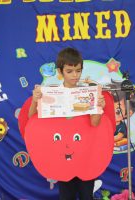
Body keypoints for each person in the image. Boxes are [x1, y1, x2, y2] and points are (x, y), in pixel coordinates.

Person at [28, 47, 106, 200]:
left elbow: (94, 123)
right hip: (62, 155)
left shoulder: (87, 93)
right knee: (66, 196)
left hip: (85, 155)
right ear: (60, 71)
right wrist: (34, 100)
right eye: (70, 71)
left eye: (78, 70)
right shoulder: (50, 93)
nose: (75, 75)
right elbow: (32, 120)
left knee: (86, 196)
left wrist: (98, 107)